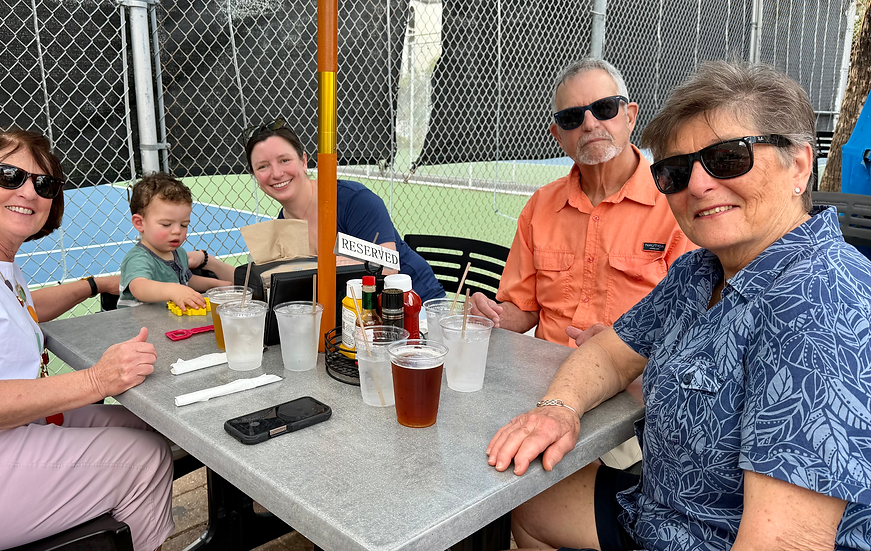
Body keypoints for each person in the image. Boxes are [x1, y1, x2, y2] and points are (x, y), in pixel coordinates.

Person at [487, 62, 871, 551]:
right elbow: (610, 352)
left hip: (715, 538)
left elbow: (786, 541)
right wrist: (558, 409)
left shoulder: (819, 302)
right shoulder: (701, 272)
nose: (699, 185)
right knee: (524, 501)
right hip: (661, 509)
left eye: (728, 158)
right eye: (676, 171)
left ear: (798, 165)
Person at [0, 129, 174, 551]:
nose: (28, 191)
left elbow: (12, 309)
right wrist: (96, 382)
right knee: (143, 459)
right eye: (8, 175)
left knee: (151, 429)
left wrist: (93, 284)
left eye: (44, 184)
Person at [470, 58, 695, 348]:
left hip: (634, 383)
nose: (589, 124)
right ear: (559, 136)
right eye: (572, 117)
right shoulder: (541, 206)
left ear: (630, 116)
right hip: (544, 374)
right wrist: (491, 315)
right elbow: (524, 309)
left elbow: (694, 327)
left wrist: (625, 345)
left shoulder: (675, 204)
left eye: (604, 108)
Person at [242, 119, 446, 302]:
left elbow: (386, 271)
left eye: (284, 160)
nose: (276, 173)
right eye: (263, 167)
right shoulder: (284, 223)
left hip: (416, 305)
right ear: (254, 175)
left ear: (303, 161)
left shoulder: (355, 201)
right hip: (353, 315)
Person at [118, 172, 236, 309]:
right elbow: (139, 287)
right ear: (139, 223)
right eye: (166, 224)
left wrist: (215, 285)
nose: (177, 231)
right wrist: (173, 290)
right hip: (139, 325)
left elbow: (186, 280)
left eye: (184, 225)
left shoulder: (178, 253)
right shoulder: (139, 258)